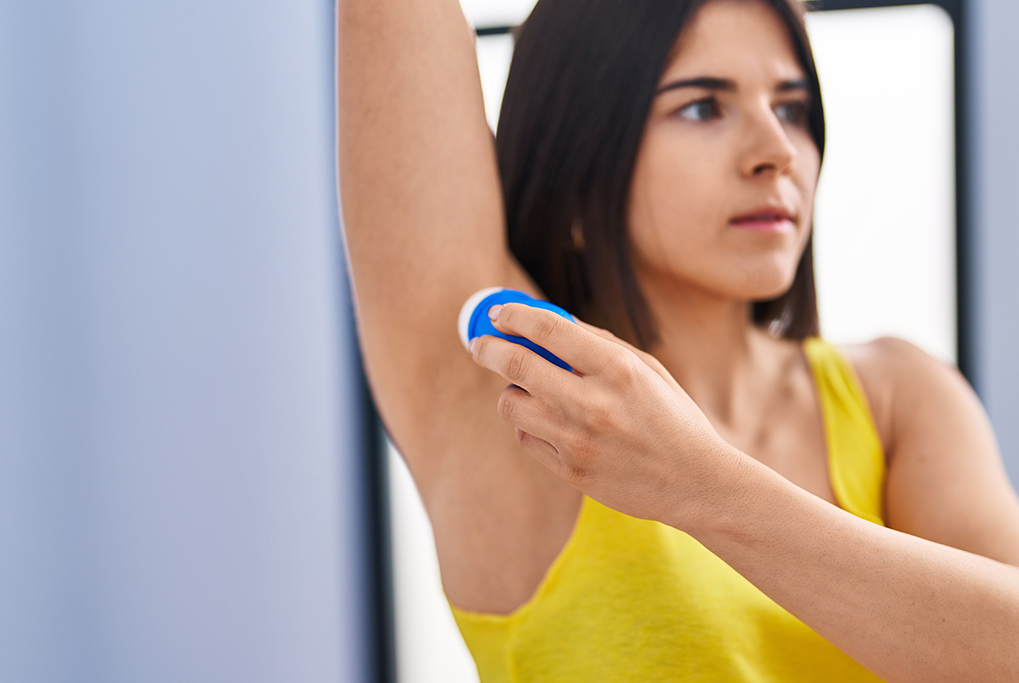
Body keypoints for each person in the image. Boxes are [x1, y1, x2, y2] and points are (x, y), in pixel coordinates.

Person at [338, 0, 1019, 679]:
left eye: (792, 108)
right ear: (580, 157)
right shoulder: (513, 402)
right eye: (702, 107)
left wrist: (704, 486)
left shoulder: (900, 396)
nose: (777, 151)